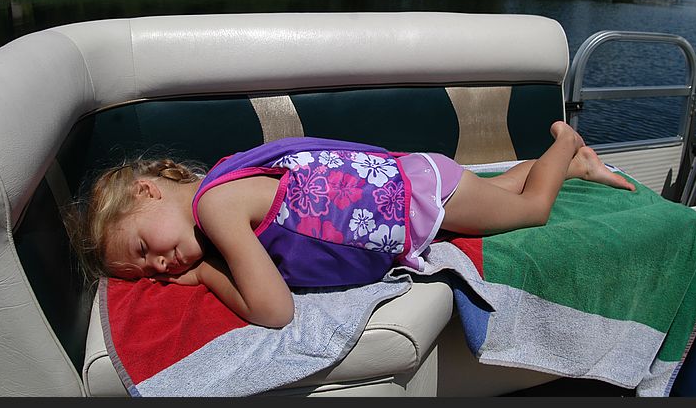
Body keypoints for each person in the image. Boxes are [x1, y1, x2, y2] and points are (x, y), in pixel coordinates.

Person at [69, 121, 634, 329]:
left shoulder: (217, 209)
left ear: (149, 190)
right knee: (505, 192)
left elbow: (274, 311)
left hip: (418, 199)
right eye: (144, 271)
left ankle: (567, 145)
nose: (161, 268)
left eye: (144, 247)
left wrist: (205, 278)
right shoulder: (221, 182)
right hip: (416, 187)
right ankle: (563, 166)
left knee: (530, 210)